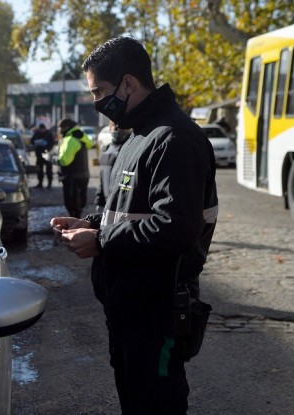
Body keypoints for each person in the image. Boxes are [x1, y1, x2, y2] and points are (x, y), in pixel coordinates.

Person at [50, 36, 218, 414]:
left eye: (100, 91)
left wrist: (101, 241)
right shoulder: (137, 137)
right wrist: (89, 223)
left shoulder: (174, 139)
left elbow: (176, 228)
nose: (96, 102)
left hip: (156, 317)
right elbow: (126, 211)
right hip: (128, 312)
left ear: (129, 83)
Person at [56, 118, 94, 218]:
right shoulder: (80, 136)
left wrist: (53, 159)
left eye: (59, 128)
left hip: (71, 177)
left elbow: (65, 161)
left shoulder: (70, 140)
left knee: (71, 203)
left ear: (66, 127)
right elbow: (90, 144)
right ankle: (78, 219)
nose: (59, 130)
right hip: (83, 174)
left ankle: (75, 224)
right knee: (80, 201)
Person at [95, 123, 131, 211]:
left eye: (120, 126)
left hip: (121, 203)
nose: (116, 129)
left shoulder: (130, 148)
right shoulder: (106, 149)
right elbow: (102, 175)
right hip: (107, 201)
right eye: (114, 126)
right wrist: (100, 201)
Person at [30, 123, 55, 189]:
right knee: (39, 169)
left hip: (47, 154)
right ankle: (40, 183)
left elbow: (52, 143)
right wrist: (37, 143)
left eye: (43, 129)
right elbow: (32, 141)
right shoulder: (37, 133)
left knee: (48, 170)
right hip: (39, 153)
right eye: (41, 129)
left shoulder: (49, 134)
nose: (42, 130)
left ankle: (49, 183)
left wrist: (47, 148)